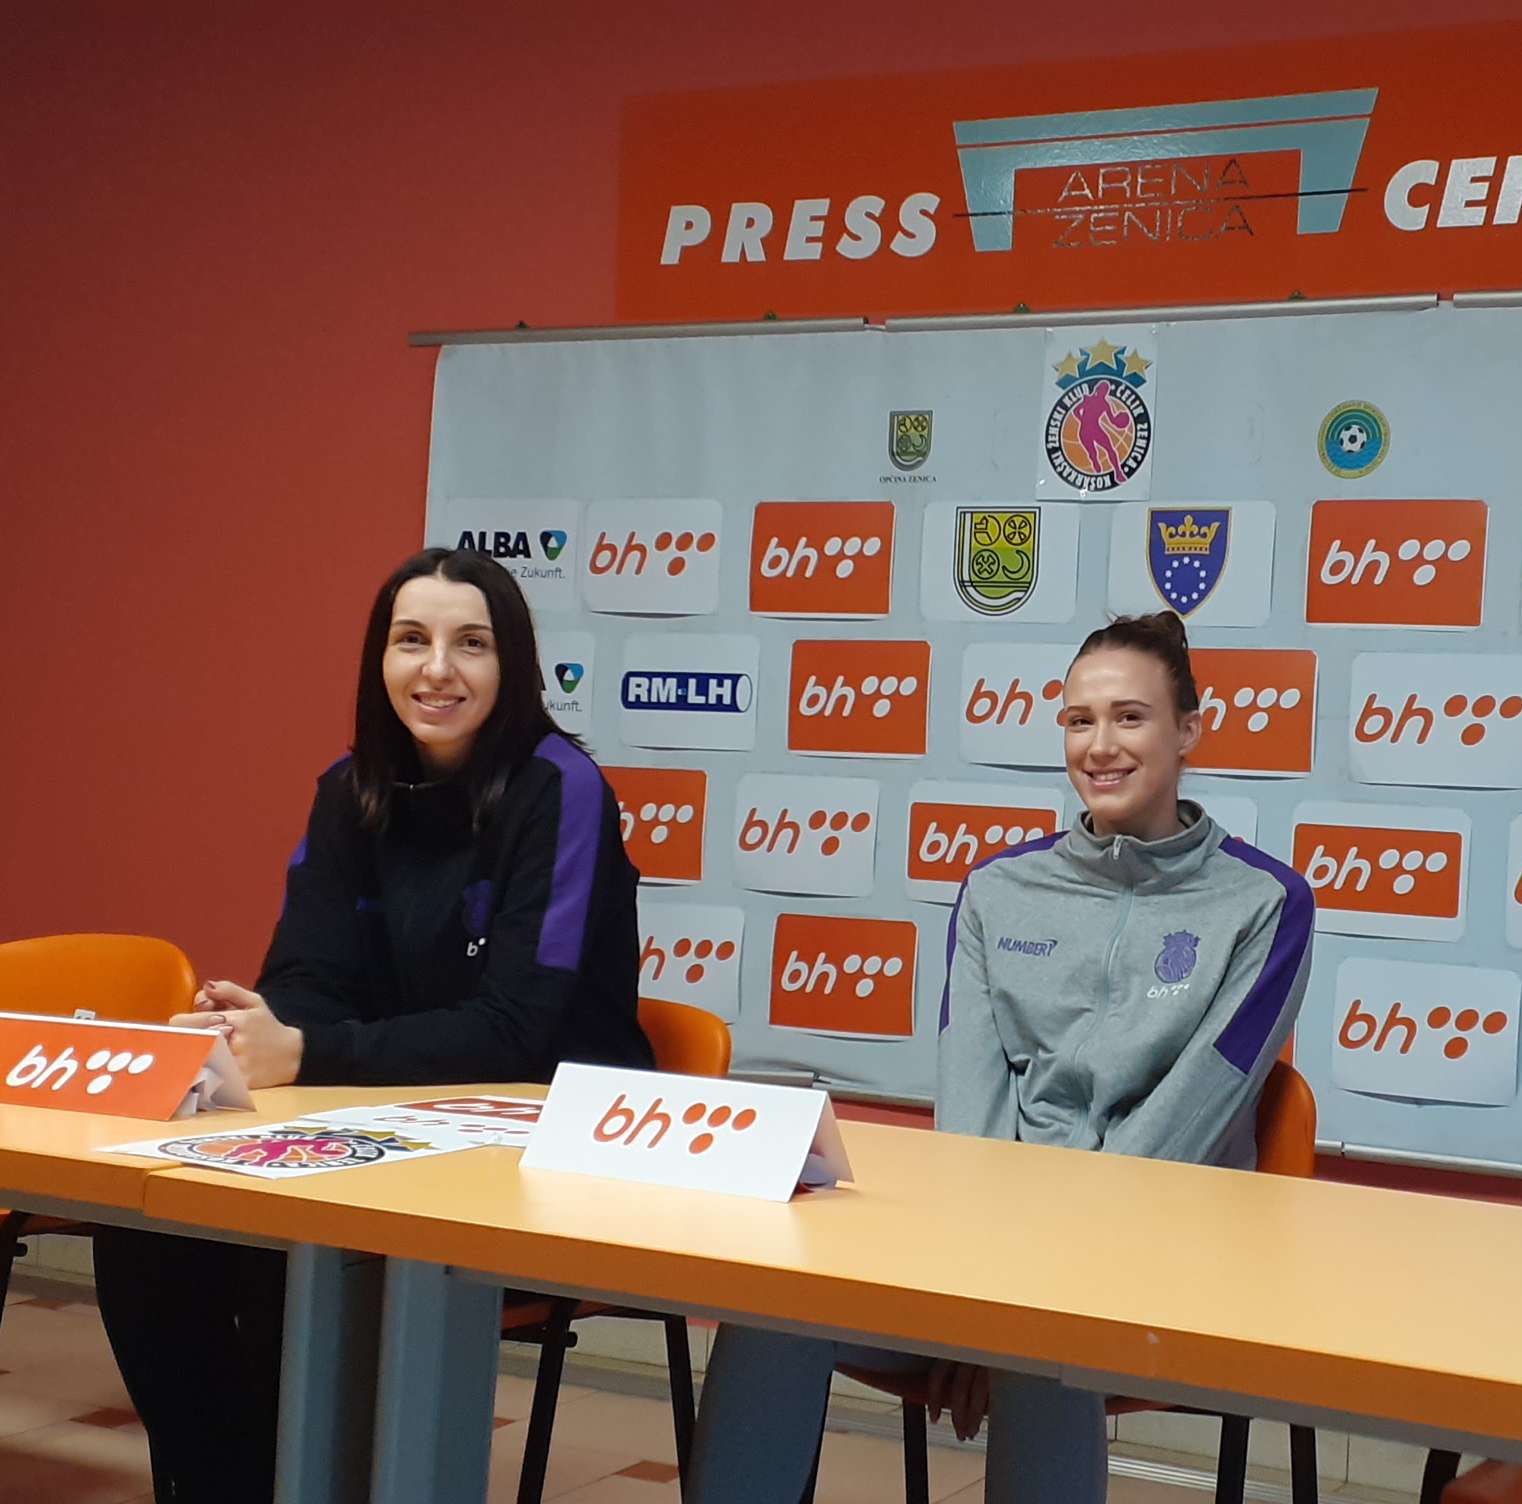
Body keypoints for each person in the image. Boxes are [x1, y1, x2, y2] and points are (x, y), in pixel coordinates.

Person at [683, 610, 1313, 1504]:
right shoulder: (996, 889)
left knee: (1046, 1334)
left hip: (1159, 1251)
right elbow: (971, 1120)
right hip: (986, 1251)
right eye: (1079, 720)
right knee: (775, 1298)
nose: (1100, 745)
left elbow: (1177, 1136)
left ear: (1188, 731)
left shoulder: (1267, 904)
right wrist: (971, 1288)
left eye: (1130, 717)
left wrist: (1006, 1305)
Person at [94, 547, 652, 1503]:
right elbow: (307, 974)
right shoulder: (349, 785)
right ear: (379, 661)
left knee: (288, 1262)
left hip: (542, 1130)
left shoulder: (563, 789)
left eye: (470, 643)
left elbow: (519, 1028)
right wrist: (262, 1031)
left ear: (512, 664)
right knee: (149, 1230)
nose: (437, 669)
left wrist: (309, 1050)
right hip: (384, 1116)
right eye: (411, 640)